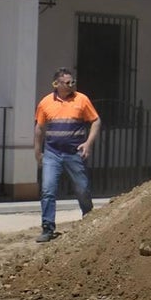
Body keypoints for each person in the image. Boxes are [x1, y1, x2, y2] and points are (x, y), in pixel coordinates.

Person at [33, 67, 101, 243]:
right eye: (67, 82)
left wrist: (88, 143)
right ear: (56, 84)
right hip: (52, 154)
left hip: (74, 154)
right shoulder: (45, 103)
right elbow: (39, 128)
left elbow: (95, 121)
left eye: (73, 81)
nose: (71, 85)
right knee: (48, 190)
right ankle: (48, 228)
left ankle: (89, 219)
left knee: (82, 189)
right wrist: (37, 152)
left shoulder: (82, 99)